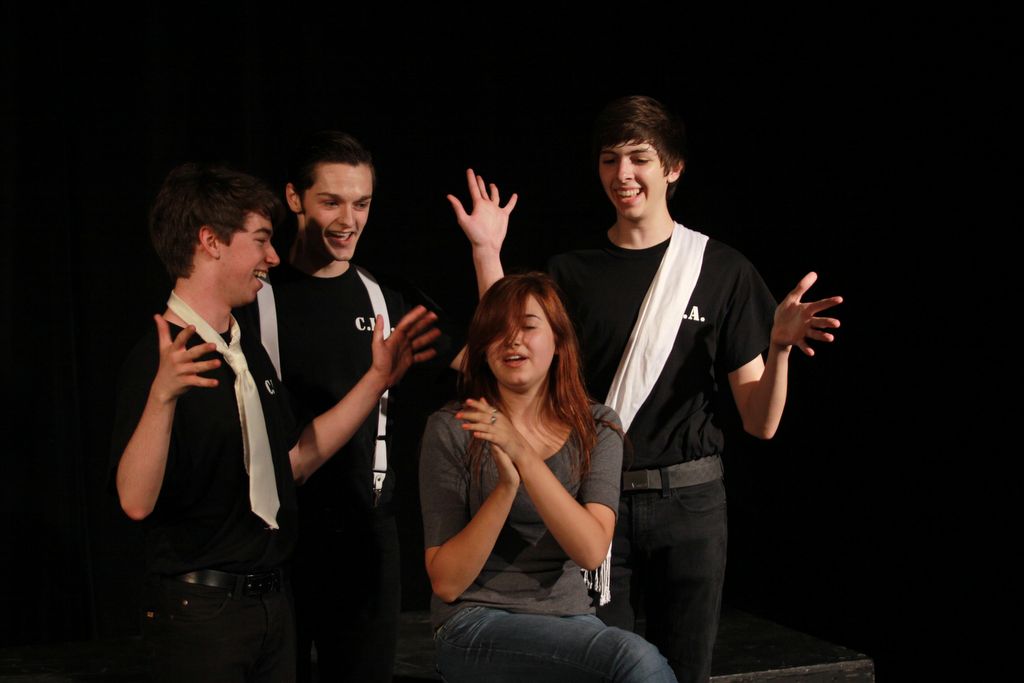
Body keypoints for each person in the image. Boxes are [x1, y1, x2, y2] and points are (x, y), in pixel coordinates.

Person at [457, 96, 843, 682]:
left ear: (673, 167)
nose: (623, 174)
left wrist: (780, 348)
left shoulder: (721, 269)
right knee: (604, 670)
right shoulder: (571, 271)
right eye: (610, 159)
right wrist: (487, 252)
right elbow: (505, 349)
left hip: (691, 506)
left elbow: (760, 422)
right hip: (595, 499)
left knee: (684, 672)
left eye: (639, 158)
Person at [111, 163, 438, 683]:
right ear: (211, 242)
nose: (273, 257)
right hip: (203, 614)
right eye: (261, 240)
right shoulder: (159, 359)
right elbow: (135, 500)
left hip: (271, 605)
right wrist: (162, 397)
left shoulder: (245, 354)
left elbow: (294, 461)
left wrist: (376, 380)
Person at [246, 131, 517, 682]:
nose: (349, 220)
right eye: (332, 202)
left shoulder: (385, 297)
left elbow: (498, 368)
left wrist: (487, 254)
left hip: (365, 538)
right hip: (276, 539)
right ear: (294, 198)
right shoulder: (255, 299)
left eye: (362, 203)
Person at [419, 273, 677, 682]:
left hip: (569, 618)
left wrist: (522, 454)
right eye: (498, 330)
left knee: (628, 661)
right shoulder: (452, 428)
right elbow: (447, 583)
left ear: (558, 341)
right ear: (482, 348)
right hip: (474, 622)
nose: (512, 340)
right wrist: (506, 488)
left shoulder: (597, 427)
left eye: (528, 326)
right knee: (633, 660)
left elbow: (591, 551)